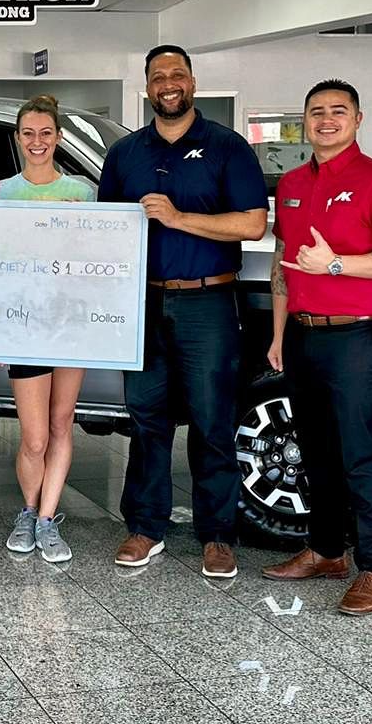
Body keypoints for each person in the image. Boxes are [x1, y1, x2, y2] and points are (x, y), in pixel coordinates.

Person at [98, 44, 268, 574]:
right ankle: (145, 528)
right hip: (144, 301)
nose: (168, 83)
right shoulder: (126, 154)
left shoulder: (227, 147)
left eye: (176, 74)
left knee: (213, 420)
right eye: (157, 76)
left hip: (208, 301)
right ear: (146, 88)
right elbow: (105, 231)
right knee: (146, 417)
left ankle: (216, 534)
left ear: (192, 82)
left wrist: (178, 218)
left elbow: (252, 224)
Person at [262, 80, 372, 615]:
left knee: (360, 453)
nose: (325, 120)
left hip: (356, 336)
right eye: (316, 112)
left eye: (337, 111)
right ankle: (327, 551)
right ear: (303, 120)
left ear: (357, 118)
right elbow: (282, 263)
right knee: (315, 451)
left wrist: (335, 264)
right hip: (303, 335)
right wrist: (280, 334)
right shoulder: (290, 184)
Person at [0, 95, 95, 563]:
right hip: (24, 326)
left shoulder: (85, 193)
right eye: (28, 133)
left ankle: (48, 519)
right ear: (17, 138)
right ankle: (27, 512)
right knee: (33, 437)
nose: (37, 142)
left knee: (61, 424)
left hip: (70, 323)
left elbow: (100, 258)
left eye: (46, 133)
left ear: (59, 138)